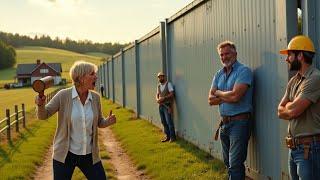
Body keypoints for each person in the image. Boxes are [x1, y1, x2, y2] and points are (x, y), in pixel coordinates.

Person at [35, 61, 116, 180]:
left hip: (89, 155)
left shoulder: (95, 98)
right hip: (65, 155)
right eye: (92, 74)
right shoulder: (63, 95)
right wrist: (40, 105)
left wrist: (107, 121)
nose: (96, 76)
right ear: (81, 78)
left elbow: (99, 122)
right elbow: (43, 115)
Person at [208, 41, 253, 180]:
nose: (224, 57)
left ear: (235, 53)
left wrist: (220, 93)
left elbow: (236, 96)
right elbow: (210, 99)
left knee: (235, 164)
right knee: (228, 163)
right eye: (221, 54)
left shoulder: (244, 71)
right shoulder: (218, 74)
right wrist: (228, 95)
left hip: (239, 124)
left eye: (227, 53)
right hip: (224, 124)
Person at [278, 35, 320, 180]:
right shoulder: (293, 81)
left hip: (310, 149)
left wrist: (289, 107)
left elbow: (294, 111)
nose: (286, 59)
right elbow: (280, 110)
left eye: (289, 55)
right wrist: (290, 107)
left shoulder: (315, 78)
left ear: (300, 55)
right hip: (294, 148)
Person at [156, 72, 176, 142]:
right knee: (163, 121)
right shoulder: (158, 86)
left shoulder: (169, 84)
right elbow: (157, 94)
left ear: (164, 77)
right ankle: (167, 136)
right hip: (160, 106)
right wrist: (157, 99)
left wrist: (164, 98)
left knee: (169, 122)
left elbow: (172, 94)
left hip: (167, 106)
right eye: (159, 77)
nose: (160, 78)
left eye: (161, 77)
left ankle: (173, 137)